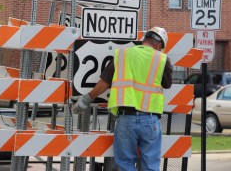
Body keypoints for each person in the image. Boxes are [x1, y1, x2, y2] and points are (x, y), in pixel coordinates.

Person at [72, 27, 173, 171]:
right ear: (158, 46)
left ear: (144, 40)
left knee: (125, 164)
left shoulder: (122, 55)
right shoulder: (162, 59)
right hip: (150, 120)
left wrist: (85, 101)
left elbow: (104, 83)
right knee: (151, 166)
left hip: (126, 119)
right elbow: (167, 84)